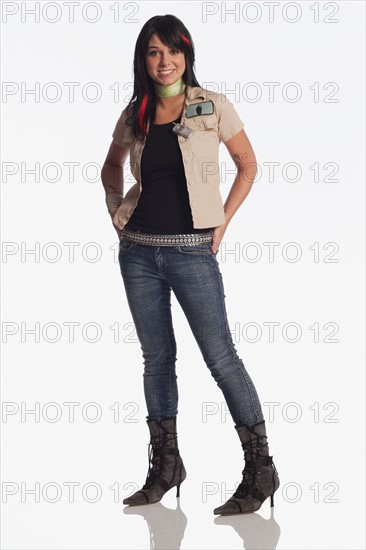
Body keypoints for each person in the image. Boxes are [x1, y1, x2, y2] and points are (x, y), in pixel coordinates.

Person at [101, 14, 279, 515]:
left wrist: (222, 223)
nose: (165, 61)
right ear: (144, 58)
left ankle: (261, 469)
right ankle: (166, 466)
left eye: (173, 51)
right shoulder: (135, 113)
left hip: (190, 251)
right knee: (156, 359)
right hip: (137, 253)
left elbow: (248, 165)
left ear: (187, 54)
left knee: (221, 358)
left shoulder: (212, 105)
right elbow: (110, 165)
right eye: (155, 52)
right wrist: (116, 212)